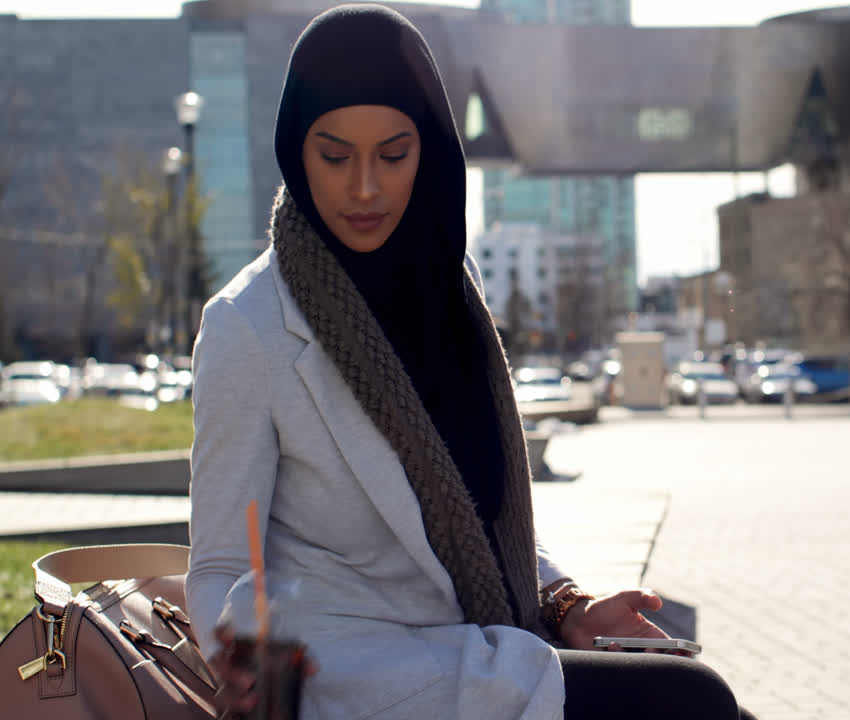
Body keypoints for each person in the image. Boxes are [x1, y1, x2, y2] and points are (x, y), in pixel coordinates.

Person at [185, 6, 754, 720]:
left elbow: (479, 514)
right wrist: (235, 651)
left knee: (701, 693)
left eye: (393, 155)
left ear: (431, 150)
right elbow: (217, 566)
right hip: (352, 675)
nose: (364, 187)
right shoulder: (250, 326)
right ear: (295, 150)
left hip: (477, 651)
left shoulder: (450, 288)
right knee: (694, 700)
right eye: (334, 156)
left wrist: (564, 603)